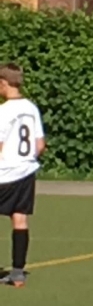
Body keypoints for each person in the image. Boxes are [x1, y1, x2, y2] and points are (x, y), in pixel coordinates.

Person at [0, 63, 45, 289]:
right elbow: (40, 144)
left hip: (4, 173)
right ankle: (18, 274)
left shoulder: (4, 111)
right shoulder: (31, 108)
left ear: (3, 83)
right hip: (26, 171)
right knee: (20, 219)